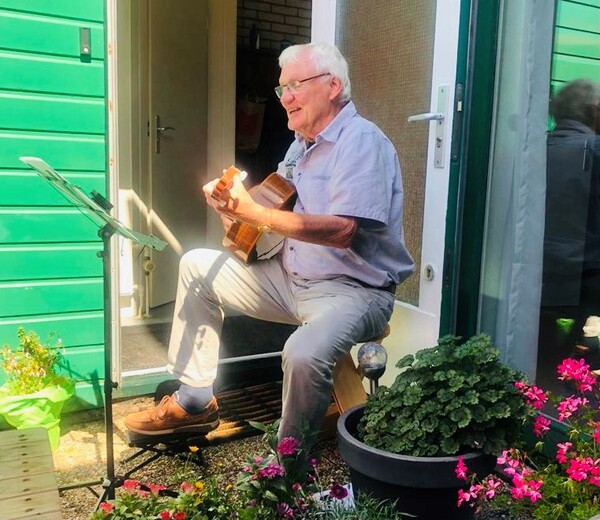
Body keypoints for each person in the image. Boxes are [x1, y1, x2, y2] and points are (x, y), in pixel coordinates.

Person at [124, 42, 414, 445]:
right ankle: (193, 403)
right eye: (282, 89)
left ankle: (288, 467)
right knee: (195, 265)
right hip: (290, 278)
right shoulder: (301, 144)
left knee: (303, 354)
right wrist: (230, 206)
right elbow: (265, 203)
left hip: (353, 291)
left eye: (295, 85)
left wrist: (253, 213)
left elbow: (343, 230)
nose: (285, 99)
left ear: (333, 86)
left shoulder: (362, 142)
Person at [541, 78, 600, 366]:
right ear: (594, 111)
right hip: (583, 280)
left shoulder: (537, 149)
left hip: (539, 280)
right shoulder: (595, 150)